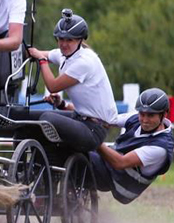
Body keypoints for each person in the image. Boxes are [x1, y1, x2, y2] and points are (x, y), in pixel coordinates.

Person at [27, 9, 117, 152]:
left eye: (70, 40)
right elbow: (38, 53)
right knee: (26, 118)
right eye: (61, 39)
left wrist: (42, 61)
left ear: (80, 40)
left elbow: (53, 86)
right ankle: (25, 167)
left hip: (94, 130)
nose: (64, 44)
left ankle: (50, 152)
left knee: (47, 118)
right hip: (80, 119)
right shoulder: (66, 55)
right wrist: (25, 51)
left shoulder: (84, 62)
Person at [90, 88, 174, 204]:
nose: (144, 120)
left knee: (82, 148)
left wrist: (94, 139)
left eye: (150, 115)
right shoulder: (136, 118)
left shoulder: (161, 147)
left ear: (164, 114)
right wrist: (65, 106)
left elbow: (120, 162)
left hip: (121, 183)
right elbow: (106, 120)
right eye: (142, 114)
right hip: (109, 167)